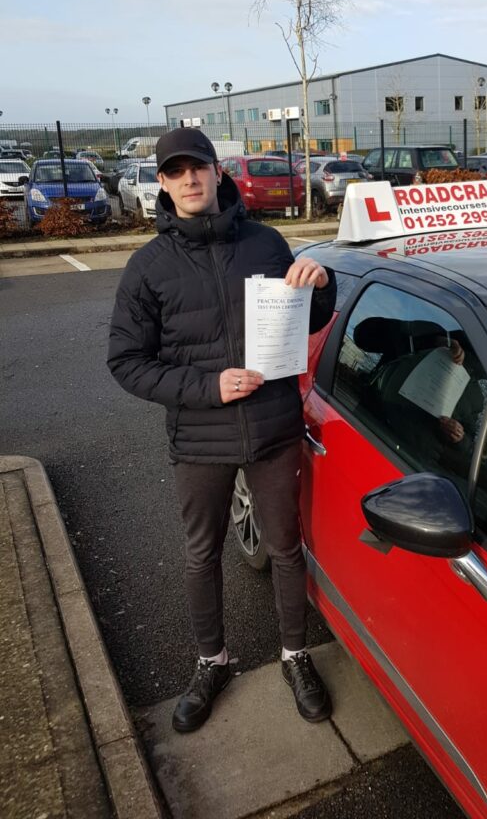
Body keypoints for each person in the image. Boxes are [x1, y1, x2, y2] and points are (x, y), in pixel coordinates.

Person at [107, 128, 337, 734]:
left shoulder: (265, 243)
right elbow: (126, 362)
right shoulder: (148, 267)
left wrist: (321, 284)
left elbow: (307, 318)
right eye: (175, 171)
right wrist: (208, 388)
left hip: (273, 429)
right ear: (161, 182)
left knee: (287, 549)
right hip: (199, 438)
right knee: (201, 554)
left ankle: (294, 657)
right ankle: (212, 662)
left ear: (217, 171)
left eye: (198, 168)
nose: (189, 180)